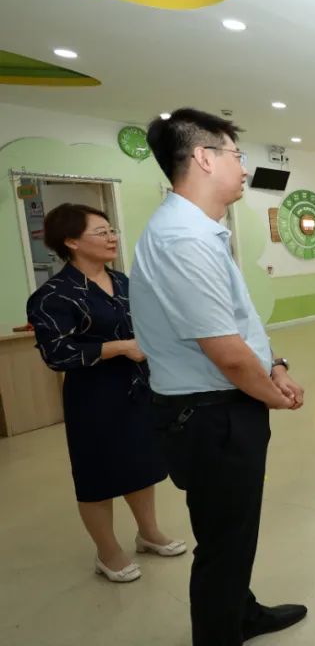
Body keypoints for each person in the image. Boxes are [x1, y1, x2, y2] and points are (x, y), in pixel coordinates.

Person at [131, 108, 307, 645]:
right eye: (237, 154)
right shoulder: (182, 239)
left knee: (232, 531)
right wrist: (271, 395)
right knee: (224, 541)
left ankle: (240, 612)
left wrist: (274, 364)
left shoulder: (200, 231)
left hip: (221, 406)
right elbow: (226, 353)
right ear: (204, 158)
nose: (245, 167)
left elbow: (239, 319)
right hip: (211, 414)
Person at [26, 204, 184, 583]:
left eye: (112, 230)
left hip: (138, 387)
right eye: (101, 232)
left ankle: (148, 533)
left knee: (141, 464)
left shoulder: (124, 282)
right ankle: (107, 551)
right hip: (94, 396)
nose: (112, 237)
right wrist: (119, 347)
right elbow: (56, 353)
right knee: (97, 474)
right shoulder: (54, 295)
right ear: (71, 241)